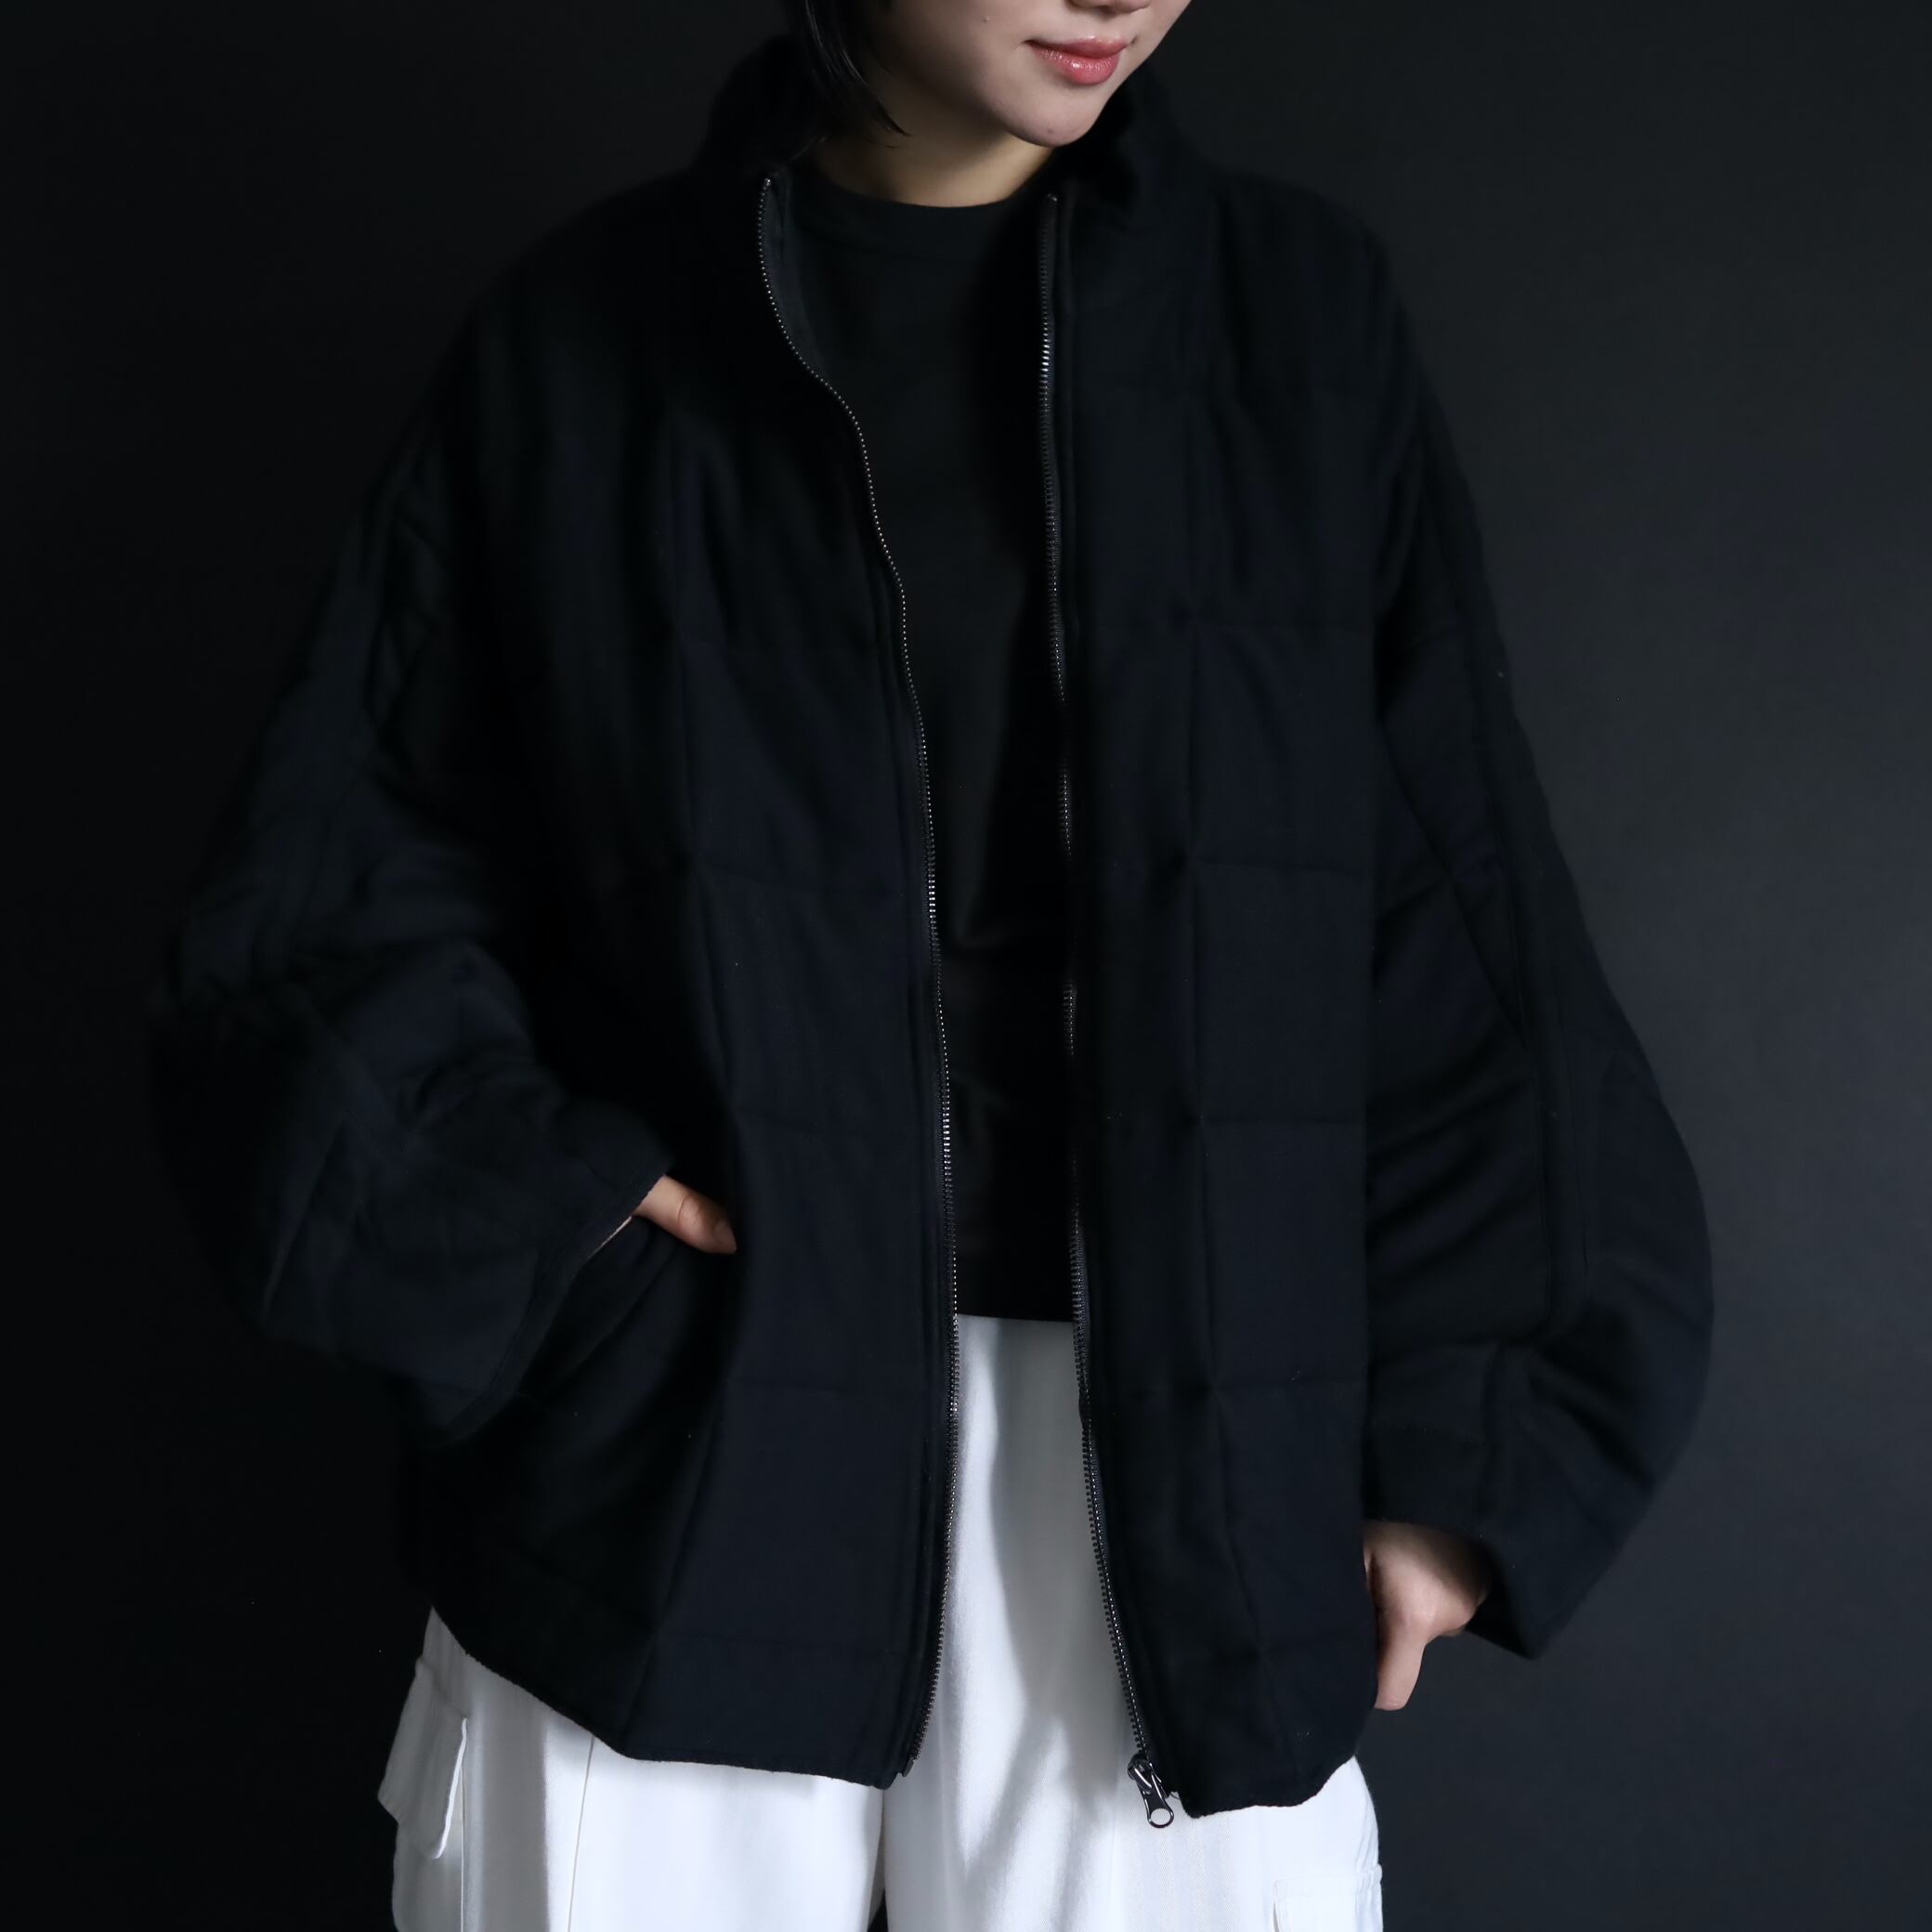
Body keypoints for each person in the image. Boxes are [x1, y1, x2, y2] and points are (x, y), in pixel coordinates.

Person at [144, 4, 1715, 1928]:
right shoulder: (582, 339)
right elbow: (331, 892)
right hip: (680, 1438)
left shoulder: (1297, 329)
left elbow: (1450, 906)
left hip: (1191, 1471)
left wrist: (1469, 1434)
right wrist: (549, 1214)